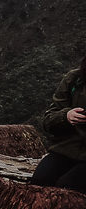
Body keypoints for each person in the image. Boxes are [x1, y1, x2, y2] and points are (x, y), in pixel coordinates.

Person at [33, 54, 86, 194]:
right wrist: (66, 116)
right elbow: (48, 120)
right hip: (64, 150)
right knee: (39, 182)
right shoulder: (74, 79)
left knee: (66, 189)